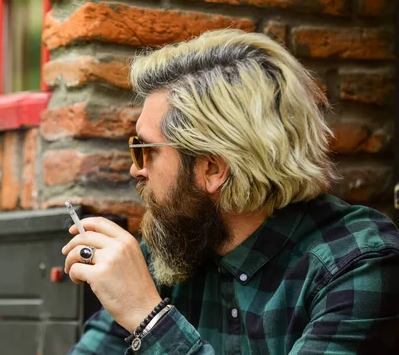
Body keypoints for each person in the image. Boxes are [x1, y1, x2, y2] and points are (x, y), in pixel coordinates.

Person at [61, 29, 399, 355]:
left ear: (212, 169)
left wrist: (149, 320)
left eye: (145, 149)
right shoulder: (174, 247)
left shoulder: (355, 265)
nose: (137, 168)